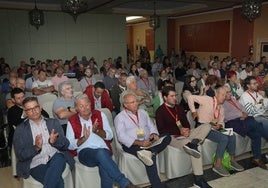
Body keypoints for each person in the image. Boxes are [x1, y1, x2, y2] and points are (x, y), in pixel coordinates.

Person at [66, 94, 138, 188]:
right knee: (102, 154)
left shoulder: (100, 115)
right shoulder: (72, 120)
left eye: (87, 105)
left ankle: (125, 183)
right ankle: (125, 183)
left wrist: (97, 131)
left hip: (103, 150)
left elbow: (110, 136)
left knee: (104, 163)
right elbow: (70, 145)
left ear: (90, 104)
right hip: (85, 153)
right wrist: (83, 138)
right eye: (81, 106)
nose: (85, 108)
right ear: (76, 108)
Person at [156, 86, 212, 188]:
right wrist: (180, 132)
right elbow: (161, 130)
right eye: (172, 96)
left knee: (207, 126)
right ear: (165, 97)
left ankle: (194, 142)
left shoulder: (179, 108)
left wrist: (186, 129)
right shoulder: (160, 111)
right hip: (173, 137)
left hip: (186, 134)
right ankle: (198, 179)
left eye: (175, 95)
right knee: (196, 148)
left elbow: (187, 124)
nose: (175, 98)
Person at [13, 97, 74, 187]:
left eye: (35, 107)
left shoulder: (53, 123)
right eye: (29, 109)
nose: (34, 111)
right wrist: (36, 147)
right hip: (36, 163)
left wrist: (54, 142)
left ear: (40, 108)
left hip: (56, 157)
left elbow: (66, 145)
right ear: (25, 113)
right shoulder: (20, 129)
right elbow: (20, 155)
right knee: (58, 182)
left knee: (60, 157)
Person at [115, 93, 171, 188]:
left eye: (136, 101)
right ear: (125, 105)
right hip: (133, 145)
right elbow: (121, 137)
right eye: (132, 102)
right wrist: (140, 143)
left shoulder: (143, 112)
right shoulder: (120, 117)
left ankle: (150, 151)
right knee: (151, 159)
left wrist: (154, 134)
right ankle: (157, 185)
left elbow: (151, 125)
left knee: (167, 137)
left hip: (149, 142)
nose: (136, 103)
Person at [188, 87, 244, 177]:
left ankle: (232, 160)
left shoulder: (221, 107)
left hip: (214, 127)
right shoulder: (207, 99)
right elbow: (190, 97)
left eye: (225, 95)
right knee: (224, 139)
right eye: (222, 95)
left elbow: (221, 121)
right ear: (216, 94)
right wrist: (193, 111)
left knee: (231, 135)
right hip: (203, 127)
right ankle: (217, 165)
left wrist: (220, 125)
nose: (224, 97)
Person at [223, 86, 268, 169]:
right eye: (228, 92)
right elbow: (226, 116)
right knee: (255, 124)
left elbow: (242, 108)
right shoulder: (222, 103)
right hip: (232, 123)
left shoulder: (233, 99)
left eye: (230, 92)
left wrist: (244, 113)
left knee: (256, 134)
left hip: (243, 120)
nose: (230, 93)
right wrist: (241, 114)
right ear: (223, 94)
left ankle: (257, 158)